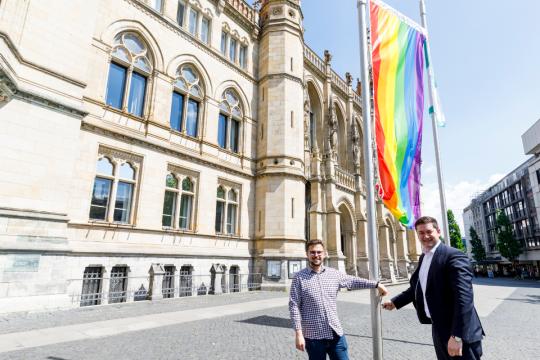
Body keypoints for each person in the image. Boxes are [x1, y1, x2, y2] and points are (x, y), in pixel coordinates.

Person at [382, 216, 484, 359]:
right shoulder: (424, 257)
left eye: (429, 231)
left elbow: (464, 298)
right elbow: (418, 288)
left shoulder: (454, 255)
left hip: (460, 332)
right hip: (439, 328)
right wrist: (395, 302)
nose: (426, 236)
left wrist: (457, 336)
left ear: (438, 231)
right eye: (421, 233)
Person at [289, 239, 388, 360]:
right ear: (307, 254)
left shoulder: (334, 274)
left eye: (319, 252)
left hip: (335, 334)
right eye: (313, 252)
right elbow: (294, 306)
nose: (316, 255)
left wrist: (376, 284)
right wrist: (298, 333)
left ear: (324, 254)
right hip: (313, 337)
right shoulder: (299, 278)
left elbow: (353, 281)